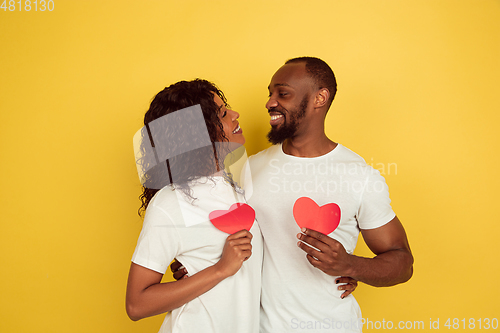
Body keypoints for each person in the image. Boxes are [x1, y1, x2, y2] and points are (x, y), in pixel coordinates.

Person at [245, 57, 414, 332]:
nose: (270, 103)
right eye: (270, 94)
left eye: (282, 93)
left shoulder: (360, 176)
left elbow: (402, 261)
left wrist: (350, 265)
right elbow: (223, 234)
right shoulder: (250, 168)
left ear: (319, 98)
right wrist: (190, 263)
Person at [126, 79, 262, 333]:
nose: (235, 115)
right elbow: (136, 304)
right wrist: (220, 269)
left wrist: (337, 273)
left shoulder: (239, 189)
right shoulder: (170, 202)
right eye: (222, 113)